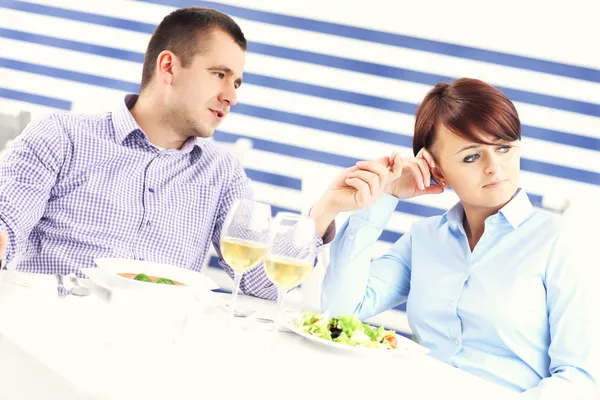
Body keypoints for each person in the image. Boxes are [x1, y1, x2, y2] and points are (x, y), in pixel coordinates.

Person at [0, 7, 335, 300]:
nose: (231, 97)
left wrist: (324, 211)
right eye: (220, 75)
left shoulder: (222, 172)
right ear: (169, 67)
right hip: (52, 335)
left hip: (158, 347)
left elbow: (259, 282)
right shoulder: (61, 135)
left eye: (236, 84)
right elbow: (6, 227)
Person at [313, 78, 598, 398]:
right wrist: (384, 194)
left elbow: (579, 378)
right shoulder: (424, 239)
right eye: (472, 156)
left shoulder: (559, 242)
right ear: (439, 171)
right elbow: (339, 314)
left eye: (504, 147)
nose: (495, 167)